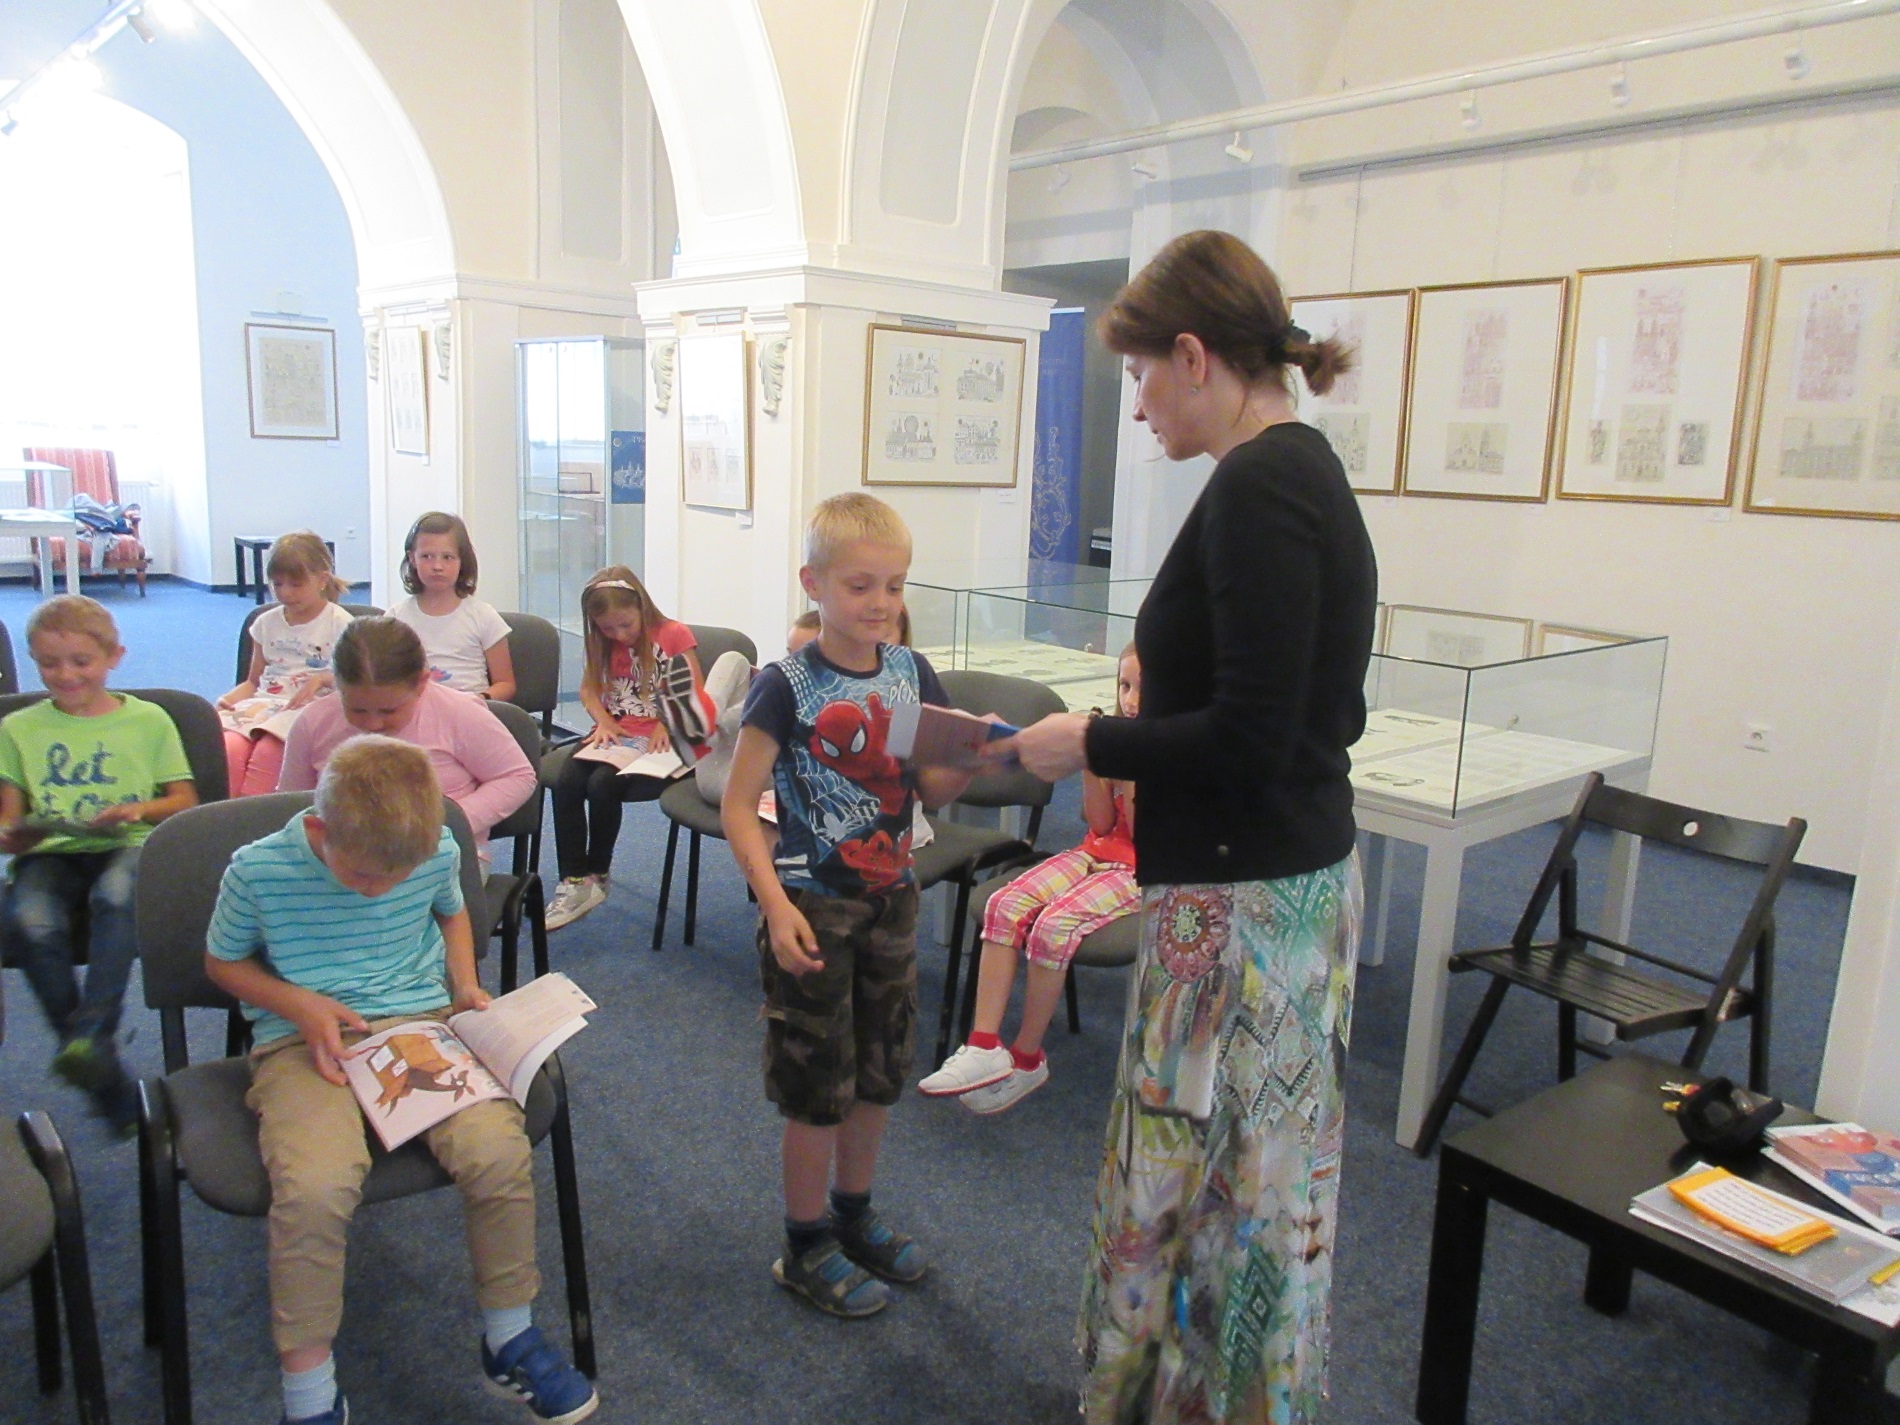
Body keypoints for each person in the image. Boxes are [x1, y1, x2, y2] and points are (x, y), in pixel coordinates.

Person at [994, 230, 1375, 1424]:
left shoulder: (1261, 487)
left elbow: (1253, 737)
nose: (1138, 402)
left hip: (1244, 908)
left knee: (1227, 1192)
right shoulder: (1295, 472)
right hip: (1270, 889)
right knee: (1243, 1182)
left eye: (1142, 373)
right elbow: (1307, 709)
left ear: (1196, 356)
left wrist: (1090, 741)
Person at [204, 738, 597, 1425]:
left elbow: (451, 909)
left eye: (396, 877)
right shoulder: (259, 869)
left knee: (497, 1150)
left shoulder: (433, 846)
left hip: (418, 1022)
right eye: (361, 876)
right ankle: (309, 1393)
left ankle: (508, 1336)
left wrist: (465, 982)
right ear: (320, 829)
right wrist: (299, 1004)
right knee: (316, 1185)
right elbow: (222, 963)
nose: (379, 890)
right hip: (303, 1040)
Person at [720, 492, 975, 1319]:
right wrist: (774, 903)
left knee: (877, 1070)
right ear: (815, 584)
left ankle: (853, 1214)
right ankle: (804, 1244)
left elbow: (931, 788)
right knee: (815, 1082)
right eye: (860, 585)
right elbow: (738, 804)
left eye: (894, 586)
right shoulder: (784, 685)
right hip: (813, 905)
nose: (881, 603)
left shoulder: (907, 674)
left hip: (891, 899)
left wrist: (974, 752)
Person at [0, 595, 198, 1130]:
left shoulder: (149, 720)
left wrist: (137, 809)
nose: (65, 675)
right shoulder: (17, 728)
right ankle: (100, 1064)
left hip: (126, 842)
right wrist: (16, 834)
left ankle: (91, 1034)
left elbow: (184, 801)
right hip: (51, 852)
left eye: (81, 661)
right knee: (30, 922)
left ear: (114, 657)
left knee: (116, 894)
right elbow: (10, 822)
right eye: (49, 664)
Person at [919, 644, 1141, 1115]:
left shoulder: (1166, 750)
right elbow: (1101, 825)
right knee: (1003, 905)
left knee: (1054, 927)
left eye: (1145, 688)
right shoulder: (1117, 736)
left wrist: (1130, 774)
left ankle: (1027, 1057)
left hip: (1142, 867)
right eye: (1125, 685)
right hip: (1095, 851)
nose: (1131, 699)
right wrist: (1095, 764)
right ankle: (983, 1045)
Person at [278, 618, 536, 867]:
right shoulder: (313, 722)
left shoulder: (459, 712)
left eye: (389, 711)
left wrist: (447, 822)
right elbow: (290, 803)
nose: (373, 724)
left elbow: (517, 776)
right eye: (357, 709)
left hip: (440, 852)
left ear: (422, 683)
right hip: (341, 857)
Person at [543, 567, 712, 930]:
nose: (619, 635)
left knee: (602, 784)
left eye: (626, 625)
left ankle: (598, 873)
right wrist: (603, 721)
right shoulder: (601, 642)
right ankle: (574, 879)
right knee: (568, 779)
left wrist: (665, 723)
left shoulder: (672, 634)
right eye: (608, 628)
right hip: (620, 730)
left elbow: (692, 692)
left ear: (641, 607)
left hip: (666, 733)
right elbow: (589, 690)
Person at [219, 532, 353, 798]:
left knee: (269, 751)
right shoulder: (265, 623)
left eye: (296, 584)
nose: (285, 593)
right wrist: (226, 701)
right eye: (277, 584)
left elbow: (354, 683)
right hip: (264, 703)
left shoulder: (340, 623)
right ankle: (226, 810)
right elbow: (253, 682)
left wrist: (323, 678)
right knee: (229, 747)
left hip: (307, 709)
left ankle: (250, 811)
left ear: (322, 580)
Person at [387, 511, 518, 703]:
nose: (437, 566)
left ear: (462, 560)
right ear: (412, 559)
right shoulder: (396, 618)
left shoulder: (483, 616)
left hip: (472, 708)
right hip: (417, 708)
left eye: (447, 557)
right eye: (427, 556)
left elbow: (505, 684)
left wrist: (479, 699)